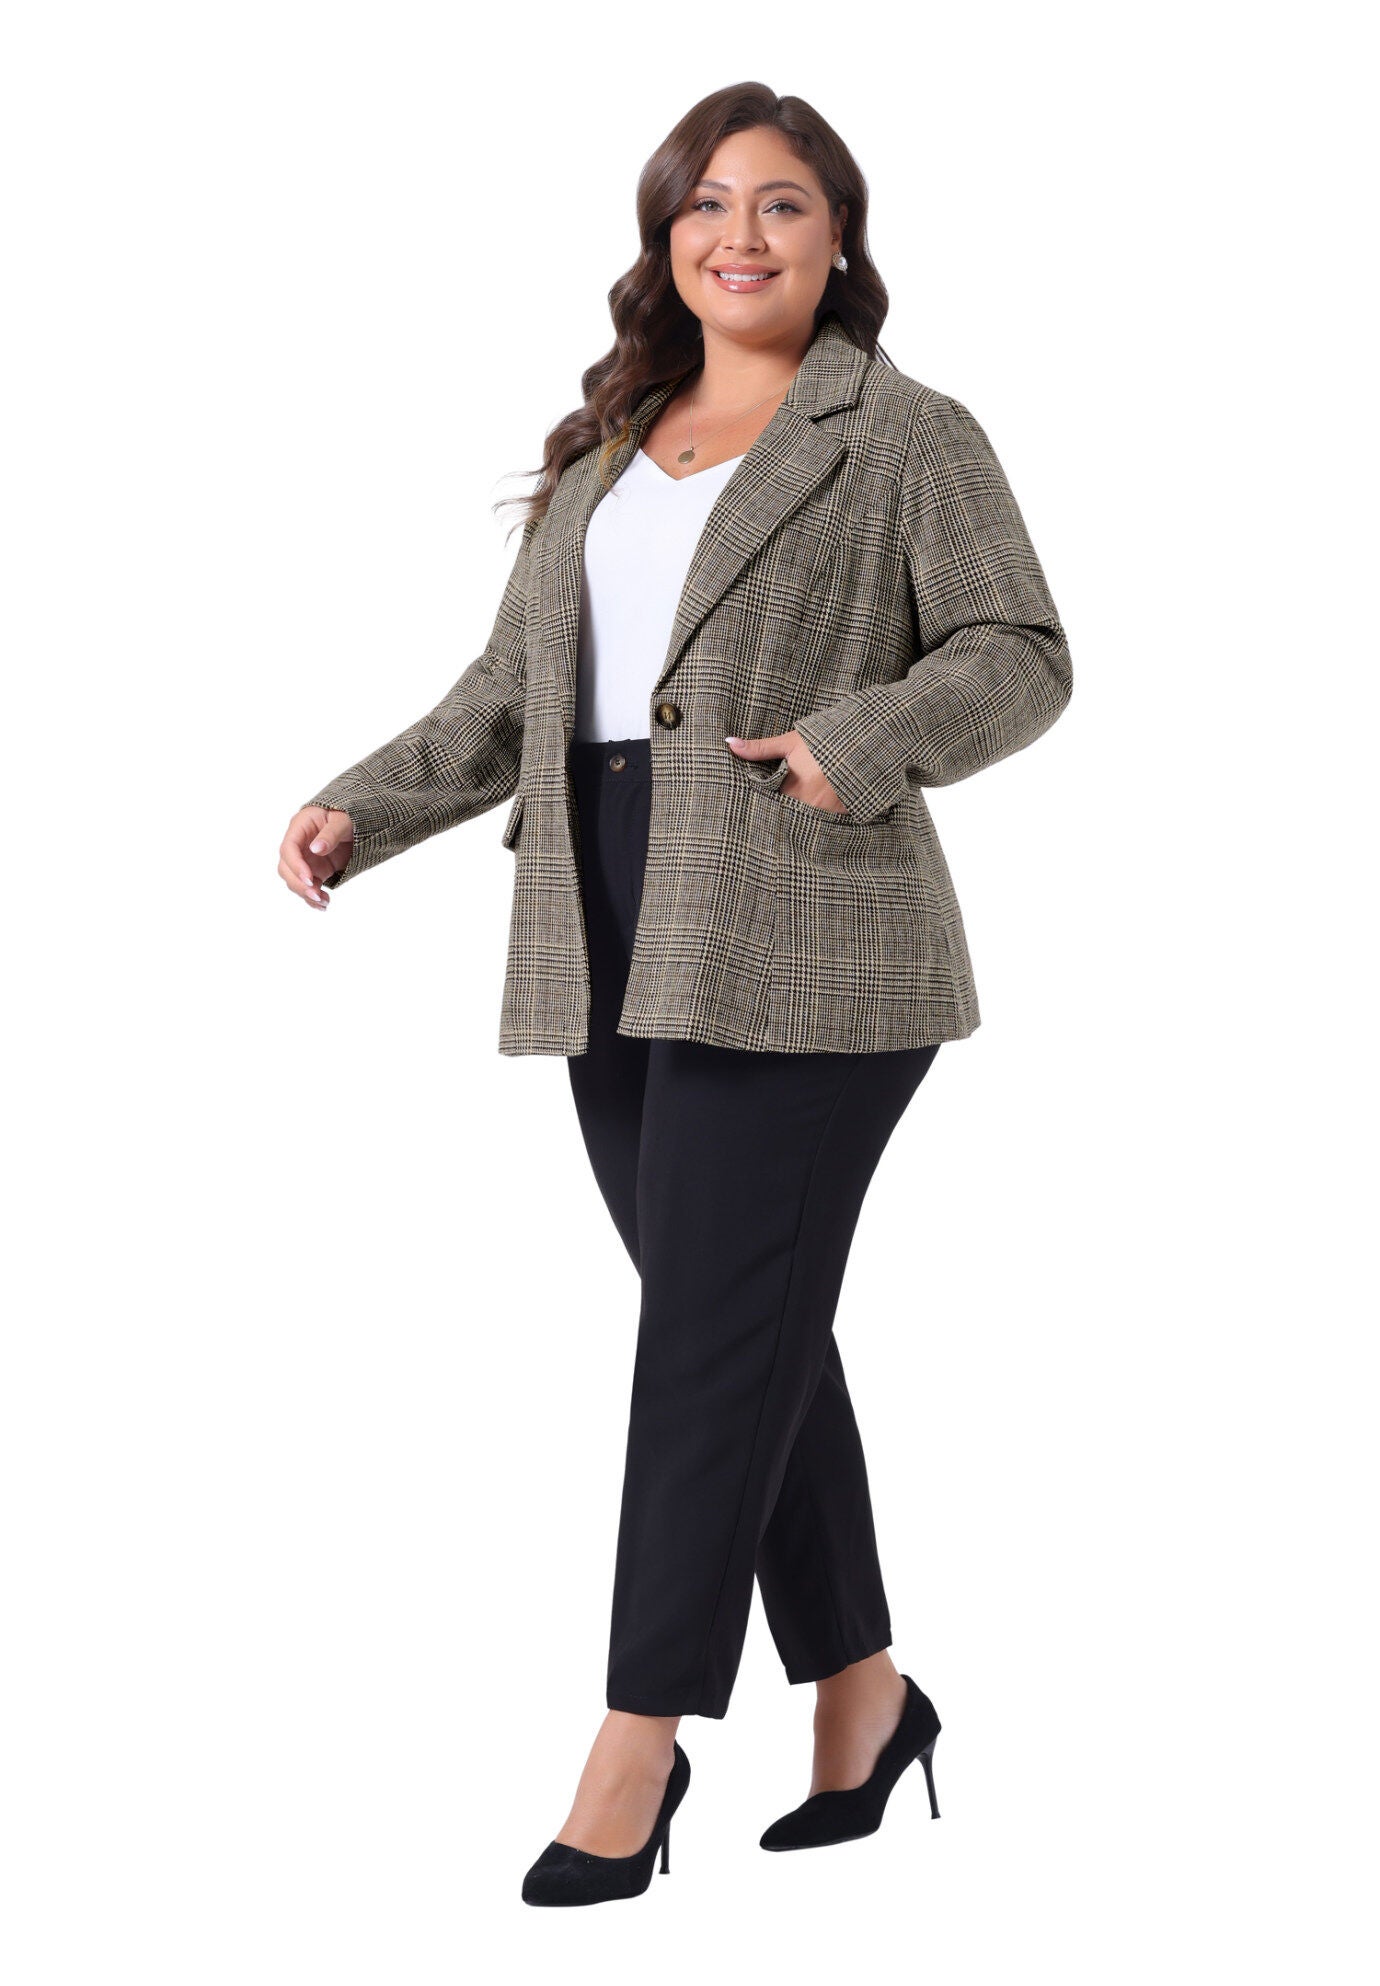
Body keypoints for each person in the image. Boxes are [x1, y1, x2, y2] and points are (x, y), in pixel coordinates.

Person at [279, 83, 1072, 1908]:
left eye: (783, 204)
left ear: (839, 236)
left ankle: (637, 1741)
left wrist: (858, 741)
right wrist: (361, 806)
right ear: (665, 238)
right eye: (706, 204)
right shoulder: (607, 450)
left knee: (711, 1336)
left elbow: (1023, 651)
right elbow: (509, 694)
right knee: (748, 1320)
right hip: (607, 927)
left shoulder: (905, 434)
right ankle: (866, 1694)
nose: (741, 234)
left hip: (812, 932)